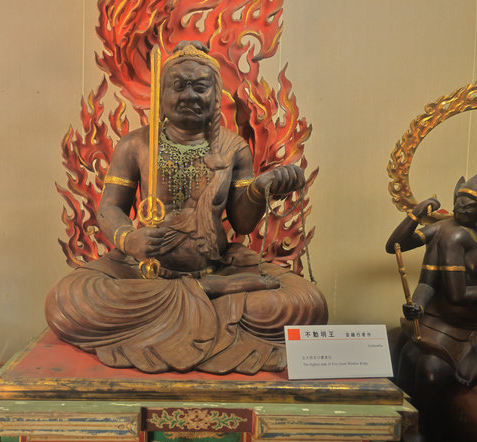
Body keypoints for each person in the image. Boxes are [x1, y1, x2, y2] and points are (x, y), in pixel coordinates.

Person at [46, 41, 327, 375]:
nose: (189, 95)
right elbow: (109, 208)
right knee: (66, 300)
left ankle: (201, 291)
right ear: (161, 95)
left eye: (200, 87)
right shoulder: (136, 144)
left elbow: (242, 224)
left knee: (306, 303)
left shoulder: (233, 147)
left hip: (214, 267)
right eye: (178, 86)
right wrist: (128, 239)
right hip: (148, 273)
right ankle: (204, 296)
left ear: (216, 94)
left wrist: (259, 189)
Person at [387, 148, 477, 442]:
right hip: (448, 324)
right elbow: (450, 292)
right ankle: (424, 433)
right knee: (433, 372)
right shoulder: (453, 235)